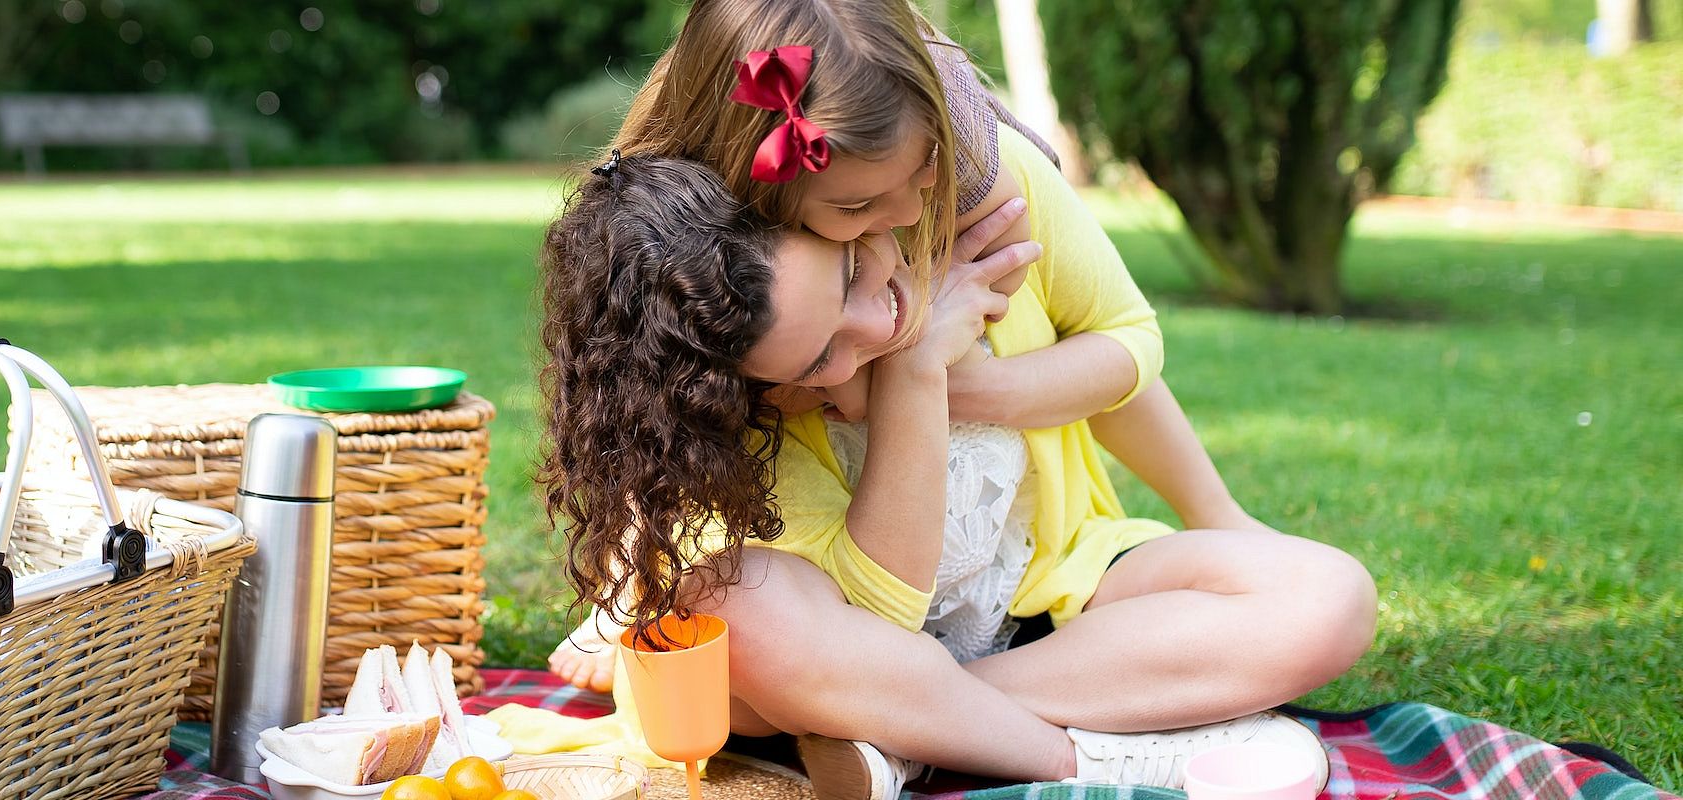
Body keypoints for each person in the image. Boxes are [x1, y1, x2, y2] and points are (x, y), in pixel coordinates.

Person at [527, 1, 1378, 797]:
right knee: (731, 610)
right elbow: (879, 617)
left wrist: (965, 382)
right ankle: (1077, 748)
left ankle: (913, 729)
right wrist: (908, 373)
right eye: (856, 214)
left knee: (1328, 598)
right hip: (848, 629)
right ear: (763, 200)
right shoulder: (726, 313)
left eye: (922, 171)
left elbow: (1128, 342)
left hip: (1040, 588)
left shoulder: (981, 187)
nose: (905, 212)